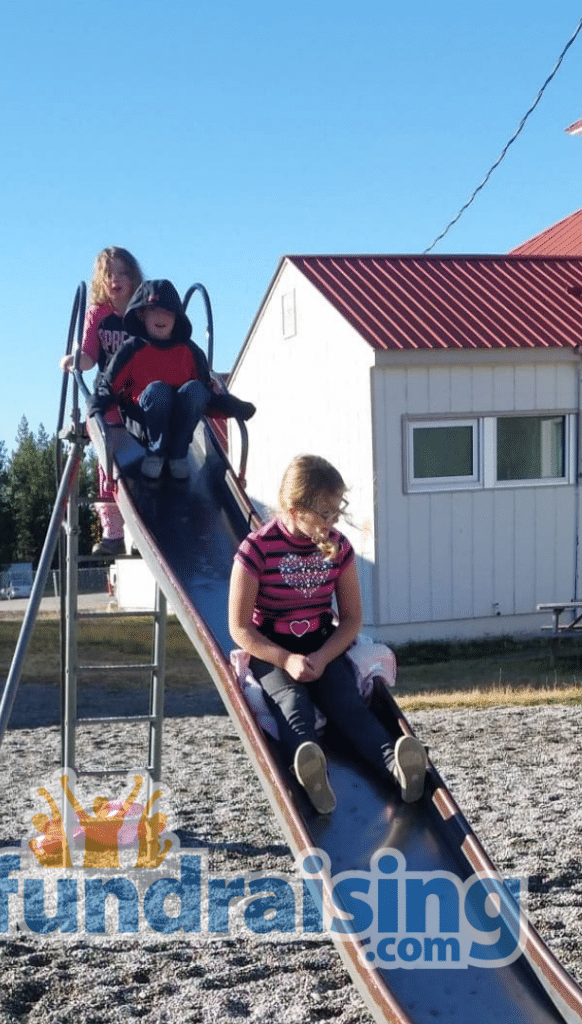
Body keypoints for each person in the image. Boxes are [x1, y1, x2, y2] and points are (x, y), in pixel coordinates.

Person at [228, 454, 427, 814]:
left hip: (321, 643)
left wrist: (322, 655)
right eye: (324, 513)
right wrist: (286, 659)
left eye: (336, 512)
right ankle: (310, 773)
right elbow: (239, 628)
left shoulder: (338, 548)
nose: (332, 521)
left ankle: (397, 768)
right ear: (295, 507)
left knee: (347, 702)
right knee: (292, 703)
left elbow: (351, 619)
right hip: (272, 648)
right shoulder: (256, 550)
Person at [89, 279, 255, 480]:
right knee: (158, 391)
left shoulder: (190, 352)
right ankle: (155, 454)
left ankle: (177, 455)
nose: (161, 317)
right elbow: (111, 384)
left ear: (177, 318)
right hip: (145, 421)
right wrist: (95, 406)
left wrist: (235, 407)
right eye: (153, 310)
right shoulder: (132, 349)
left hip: (179, 426)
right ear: (142, 314)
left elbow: (207, 396)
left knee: (194, 389)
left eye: (168, 312)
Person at [60, 246, 144, 556]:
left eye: (123, 273)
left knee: (143, 465)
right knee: (107, 463)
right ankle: (113, 532)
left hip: (139, 400)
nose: (116, 279)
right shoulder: (98, 313)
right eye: (109, 273)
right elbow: (90, 357)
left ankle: (142, 530)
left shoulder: (143, 311)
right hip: (109, 400)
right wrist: (75, 359)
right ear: (101, 279)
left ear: (134, 277)